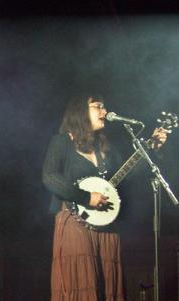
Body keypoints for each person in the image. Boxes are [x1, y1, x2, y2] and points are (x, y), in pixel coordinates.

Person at [42, 95, 168, 301]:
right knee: (81, 284)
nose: (104, 111)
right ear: (80, 111)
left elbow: (125, 179)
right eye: (97, 106)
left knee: (109, 286)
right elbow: (50, 177)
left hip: (107, 228)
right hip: (74, 223)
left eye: (104, 106)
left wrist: (151, 151)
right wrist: (85, 197)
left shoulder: (105, 148)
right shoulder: (62, 142)